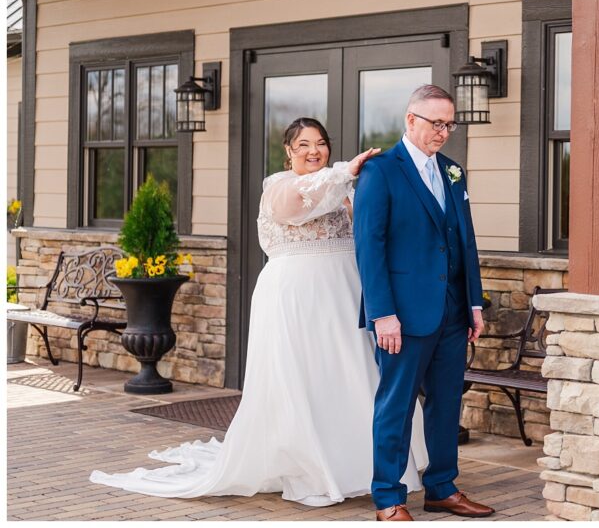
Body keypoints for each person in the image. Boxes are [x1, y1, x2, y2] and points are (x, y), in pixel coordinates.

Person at [91, 117, 428, 507]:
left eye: (320, 143)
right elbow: (298, 206)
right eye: (303, 145)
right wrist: (342, 172)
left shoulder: (342, 191)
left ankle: (365, 463)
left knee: (352, 373)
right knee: (303, 378)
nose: (314, 151)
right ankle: (310, 466)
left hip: (345, 291)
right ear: (288, 151)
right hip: (296, 295)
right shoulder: (279, 187)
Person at [354, 85, 493, 521]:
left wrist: (473, 305)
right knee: (395, 406)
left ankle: (441, 488)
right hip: (402, 314)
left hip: (452, 311)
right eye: (436, 123)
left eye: (449, 124)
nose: (443, 132)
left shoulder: (453, 171)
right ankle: (388, 498)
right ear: (410, 119)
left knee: (447, 402)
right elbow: (369, 247)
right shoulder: (381, 171)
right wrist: (382, 314)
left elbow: (465, 242)